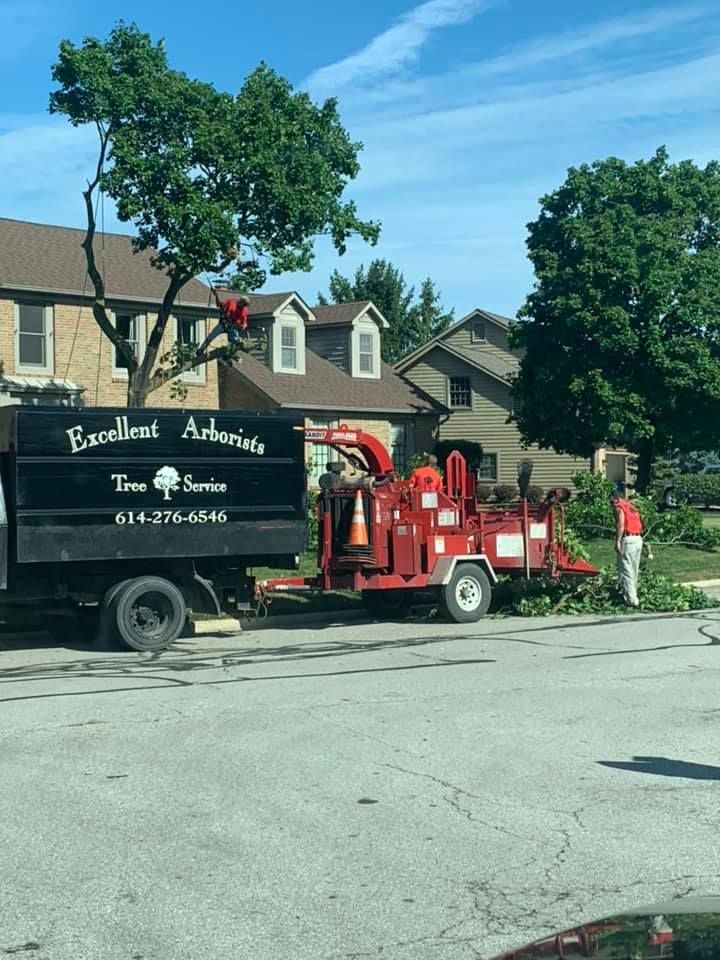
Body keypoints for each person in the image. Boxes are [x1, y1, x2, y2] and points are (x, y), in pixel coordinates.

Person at [611, 487, 644, 607]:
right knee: (634, 570)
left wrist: (618, 540)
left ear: (615, 499)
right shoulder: (631, 507)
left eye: (611, 501)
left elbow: (621, 524)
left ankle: (632, 601)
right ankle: (633, 596)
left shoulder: (620, 507)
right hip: (638, 538)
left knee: (626, 570)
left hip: (628, 539)